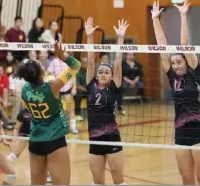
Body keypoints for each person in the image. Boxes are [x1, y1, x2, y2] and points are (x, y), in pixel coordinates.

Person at [152, 0, 200, 185]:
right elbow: (161, 46)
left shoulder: (195, 73)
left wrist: (183, 16)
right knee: (187, 180)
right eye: (174, 62)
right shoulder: (172, 77)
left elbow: (184, 45)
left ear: (187, 61)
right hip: (180, 132)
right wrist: (155, 19)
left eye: (179, 61)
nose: (176, 65)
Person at [13, 41, 81, 185]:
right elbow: (76, 65)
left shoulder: (25, 89)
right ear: (41, 73)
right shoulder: (53, 86)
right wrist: (62, 56)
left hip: (35, 141)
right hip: (55, 139)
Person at [85, 17, 128, 185]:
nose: (103, 74)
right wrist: (89, 37)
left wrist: (121, 39)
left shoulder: (114, 86)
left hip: (112, 137)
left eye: (106, 72)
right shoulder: (90, 85)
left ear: (111, 76)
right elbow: (89, 60)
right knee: (97, 182)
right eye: (100, 72)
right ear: (96, 75)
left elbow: (117, 64)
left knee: (119, 181)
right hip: (94, 138)